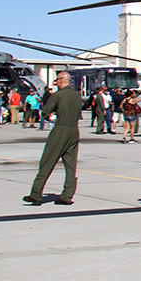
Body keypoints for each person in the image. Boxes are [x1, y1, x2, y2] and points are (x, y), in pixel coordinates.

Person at [24, 72, 84, 205]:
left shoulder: (58, 95)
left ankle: (36, 193)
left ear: (62, 80)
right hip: (74, 130)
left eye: (57, 80)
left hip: (60, 129)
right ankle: (67, 195)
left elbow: (46, 111)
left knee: (48, 160)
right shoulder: (77, 96)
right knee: (70, 164)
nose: (56, 83)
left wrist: (49, 117)